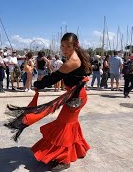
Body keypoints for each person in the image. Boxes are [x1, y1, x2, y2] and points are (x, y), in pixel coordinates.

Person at [5, 33, 92, 171]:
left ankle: (64, 159)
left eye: (68, 46)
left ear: (76, 45)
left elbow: (53, 78)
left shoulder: (72, 61)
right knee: (70, 124)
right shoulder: (76, 55)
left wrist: (38, 84)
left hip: (76, 98)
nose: (65, 49)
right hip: (76, 95)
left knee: (64, 126)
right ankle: (78, 149)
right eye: (63, 46)